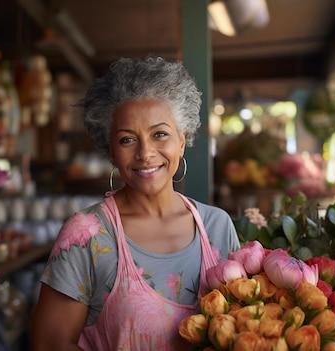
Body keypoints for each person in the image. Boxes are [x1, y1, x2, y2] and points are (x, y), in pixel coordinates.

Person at [31, 55, 240, 350]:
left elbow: (242, 326)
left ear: (182, 140)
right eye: (128, 140)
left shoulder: (216, 226)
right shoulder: (86, 235)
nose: (145, 153)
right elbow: (49, 343)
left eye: (160, 135)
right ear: (111, 152)